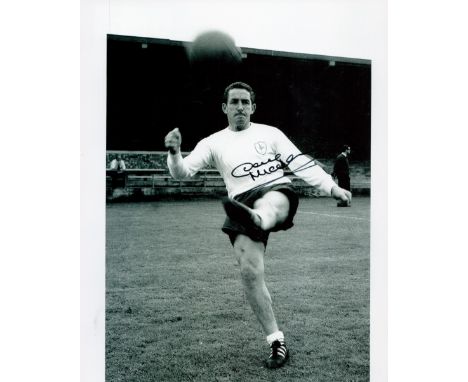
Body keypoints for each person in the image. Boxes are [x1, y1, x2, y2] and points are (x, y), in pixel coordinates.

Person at [164, 82, 351, 369]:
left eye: (245, 102)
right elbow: (183, 172)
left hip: (276, 191)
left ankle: (260, 218)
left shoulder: (270, 133)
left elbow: (299, 163)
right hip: (241, 203)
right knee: (250, 273)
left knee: (270, 203)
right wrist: (175, 153)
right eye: (234, 102)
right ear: (225, 107)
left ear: (253, 107)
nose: (240, 107)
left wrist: (332, 187)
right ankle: (277, 341)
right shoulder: (212, 142)